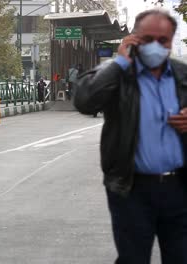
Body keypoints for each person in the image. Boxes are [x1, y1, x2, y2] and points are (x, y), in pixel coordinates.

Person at [74, 9, 187, 264]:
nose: (156, 47)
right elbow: (84, 101)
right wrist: (120, 62)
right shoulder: (118, 74)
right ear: (134, 39)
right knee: (133, 258)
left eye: (163, 40)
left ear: (171, 41)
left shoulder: (183, 76)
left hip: (180, 187)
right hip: (131, 189)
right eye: (147, 39)